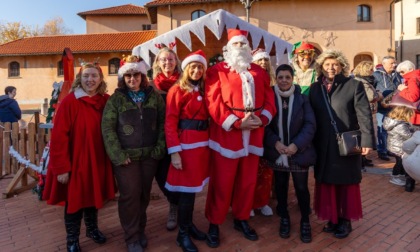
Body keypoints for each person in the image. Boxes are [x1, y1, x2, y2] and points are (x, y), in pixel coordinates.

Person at [204, 29, 276, 248]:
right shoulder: (217, 71)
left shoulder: (259, 71)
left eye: (243, 45)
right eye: (236, 45)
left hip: (254, 133)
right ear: (229, 47)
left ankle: (241, 218)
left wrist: (262, 119)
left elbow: (270, 98)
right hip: (227, 136)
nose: (240, 48)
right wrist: (235, 123)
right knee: (222, 183)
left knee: (248, 182)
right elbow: (213, 101)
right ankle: (214, 223)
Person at [42, 62, 116, 252]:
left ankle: (92, 229)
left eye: (94, 76)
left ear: (100, 79)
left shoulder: (105, 100)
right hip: (76, 161)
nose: (90, 79)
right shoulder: (70, 102)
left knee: (93, 196)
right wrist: (62, 168)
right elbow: (59, 137)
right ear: (80, 79)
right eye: (86, 76)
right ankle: (72, 239)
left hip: (98, 159)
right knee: (74, 200)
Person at [101, 55, 166, 252]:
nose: (132, 79)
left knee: (143, 195)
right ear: (123, 77)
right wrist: (118, 155)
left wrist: (159, 149)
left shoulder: (153, 96)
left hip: (149, 156)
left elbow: (164, 123)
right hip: (126, 158)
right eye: (128, 75)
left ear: (142, 75)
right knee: (129, 197)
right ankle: (131, 237)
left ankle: (140, 231)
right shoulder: (116, 100)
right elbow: (108, 128)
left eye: (135, 74)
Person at [309, 49, 374, 239]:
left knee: (346, 182)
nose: (331, 68)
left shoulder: (353, 85)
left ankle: (345, 221)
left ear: (342, 66)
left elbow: (364, 115)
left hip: (346, 143)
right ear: (321, 66)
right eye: (327, 64)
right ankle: (332, 218)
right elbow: (310, 116)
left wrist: (367, 141)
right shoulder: (315, 88)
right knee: (327, 181)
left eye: (335, 64)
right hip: (323, 144)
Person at [263, 64, 316, 243]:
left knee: (301, 187)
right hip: (278, 152)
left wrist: (296, 145)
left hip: (298, 152)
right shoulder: (269, 97)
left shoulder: (302, 99)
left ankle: (305, 221)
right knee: (281, 186)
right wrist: (275, 142)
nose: (284, 80)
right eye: (280, 77)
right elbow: (265, 125)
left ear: (292, 79)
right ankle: (284, 217)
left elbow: (310, 125)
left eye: (287, 77)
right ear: (276, 79)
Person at [165, 50, 210, 252]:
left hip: (201, 146)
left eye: (200, 67)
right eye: (193, 66)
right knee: (185, 193)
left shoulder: (203, 90)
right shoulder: (177, 90)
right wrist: (174, 151)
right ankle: (182, 235)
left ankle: (189, 226)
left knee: (192, 192)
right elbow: (170, 122)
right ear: (186, 69)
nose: (197, 70)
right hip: (185, 147)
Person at [151, 46, 182, 231]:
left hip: (180, 137)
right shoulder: (150, 85)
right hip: (158, 139)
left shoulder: (183, 82)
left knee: (180, 173)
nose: (167, 62)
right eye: (163, 59)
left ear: (176, 61)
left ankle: (179, 208)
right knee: (161, 175)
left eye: (170, 59)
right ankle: (174, 203)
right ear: (158, 62)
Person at [249, 48, 275, 217]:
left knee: (266, 170)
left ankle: (263, 201)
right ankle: (248, 202)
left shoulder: (273, 83)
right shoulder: (250, 81)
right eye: (260, 61)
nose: (263, 64)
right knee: (250, 171)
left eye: (265, 60)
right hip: (252, 130)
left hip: (269, 130)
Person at [353, 61, 383, 169]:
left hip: (370, 110)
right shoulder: (361, 81)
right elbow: (371, 96)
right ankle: (361, 160)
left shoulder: (366, 81)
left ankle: (364, 159)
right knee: (363, 134)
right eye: (371, 69)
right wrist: (379, 94)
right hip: (363, 111)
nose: (373, 72)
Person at [373, 56, 403, 161]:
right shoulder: (376, 75)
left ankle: (389, 149)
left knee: (392, 129)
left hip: (395, 107)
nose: (394, 65)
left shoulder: (397, 75)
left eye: (395, 63)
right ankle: (382, 151)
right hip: (382, 107)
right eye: (391, 63)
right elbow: (371, 88)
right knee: (382, 129)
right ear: (384, 64)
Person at [383, 105, 415, 191]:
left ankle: (399, 175)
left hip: (395, 146)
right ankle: (395, 176)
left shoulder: (395, 122)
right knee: (400, 163)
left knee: (399, 162)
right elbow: (408, 136)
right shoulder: (400, 125)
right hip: (398, 147)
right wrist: (415, 133)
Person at [396, 60, 420, 126]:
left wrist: (402, 90)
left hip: (416, 116)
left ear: (411, 69)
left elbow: (413, 97)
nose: (400, 74)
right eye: (399, 72)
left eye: (402, 71)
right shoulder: (416, 77)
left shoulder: (412, 79)